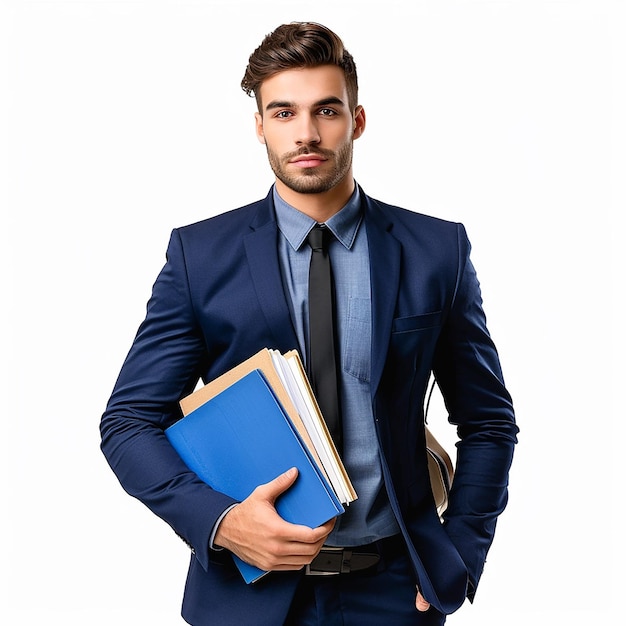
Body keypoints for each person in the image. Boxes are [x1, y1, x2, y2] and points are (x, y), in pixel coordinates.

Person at [100, 22, 518, 626]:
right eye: (284, 112)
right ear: (260, 126)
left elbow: (488, 421)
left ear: (358, 119)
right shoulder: (200, 255)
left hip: (397, 591)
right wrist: (220, 522)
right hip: (245, 597)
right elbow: (129, 423)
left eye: (326, 110)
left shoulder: (436, 251)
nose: (306, 133)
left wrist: (461, 551)